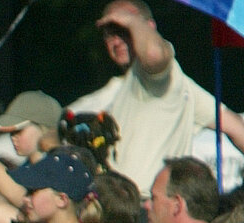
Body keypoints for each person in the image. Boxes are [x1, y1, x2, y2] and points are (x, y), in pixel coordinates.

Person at [81, 0, 244, 192]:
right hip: (111, 205)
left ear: (149, 27)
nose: (117, 41)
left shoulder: (170, 78)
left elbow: (236, 128)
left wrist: (132, 21)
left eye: (124, 29)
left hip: (150, 205)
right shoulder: (110, 90)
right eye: (110, 34)